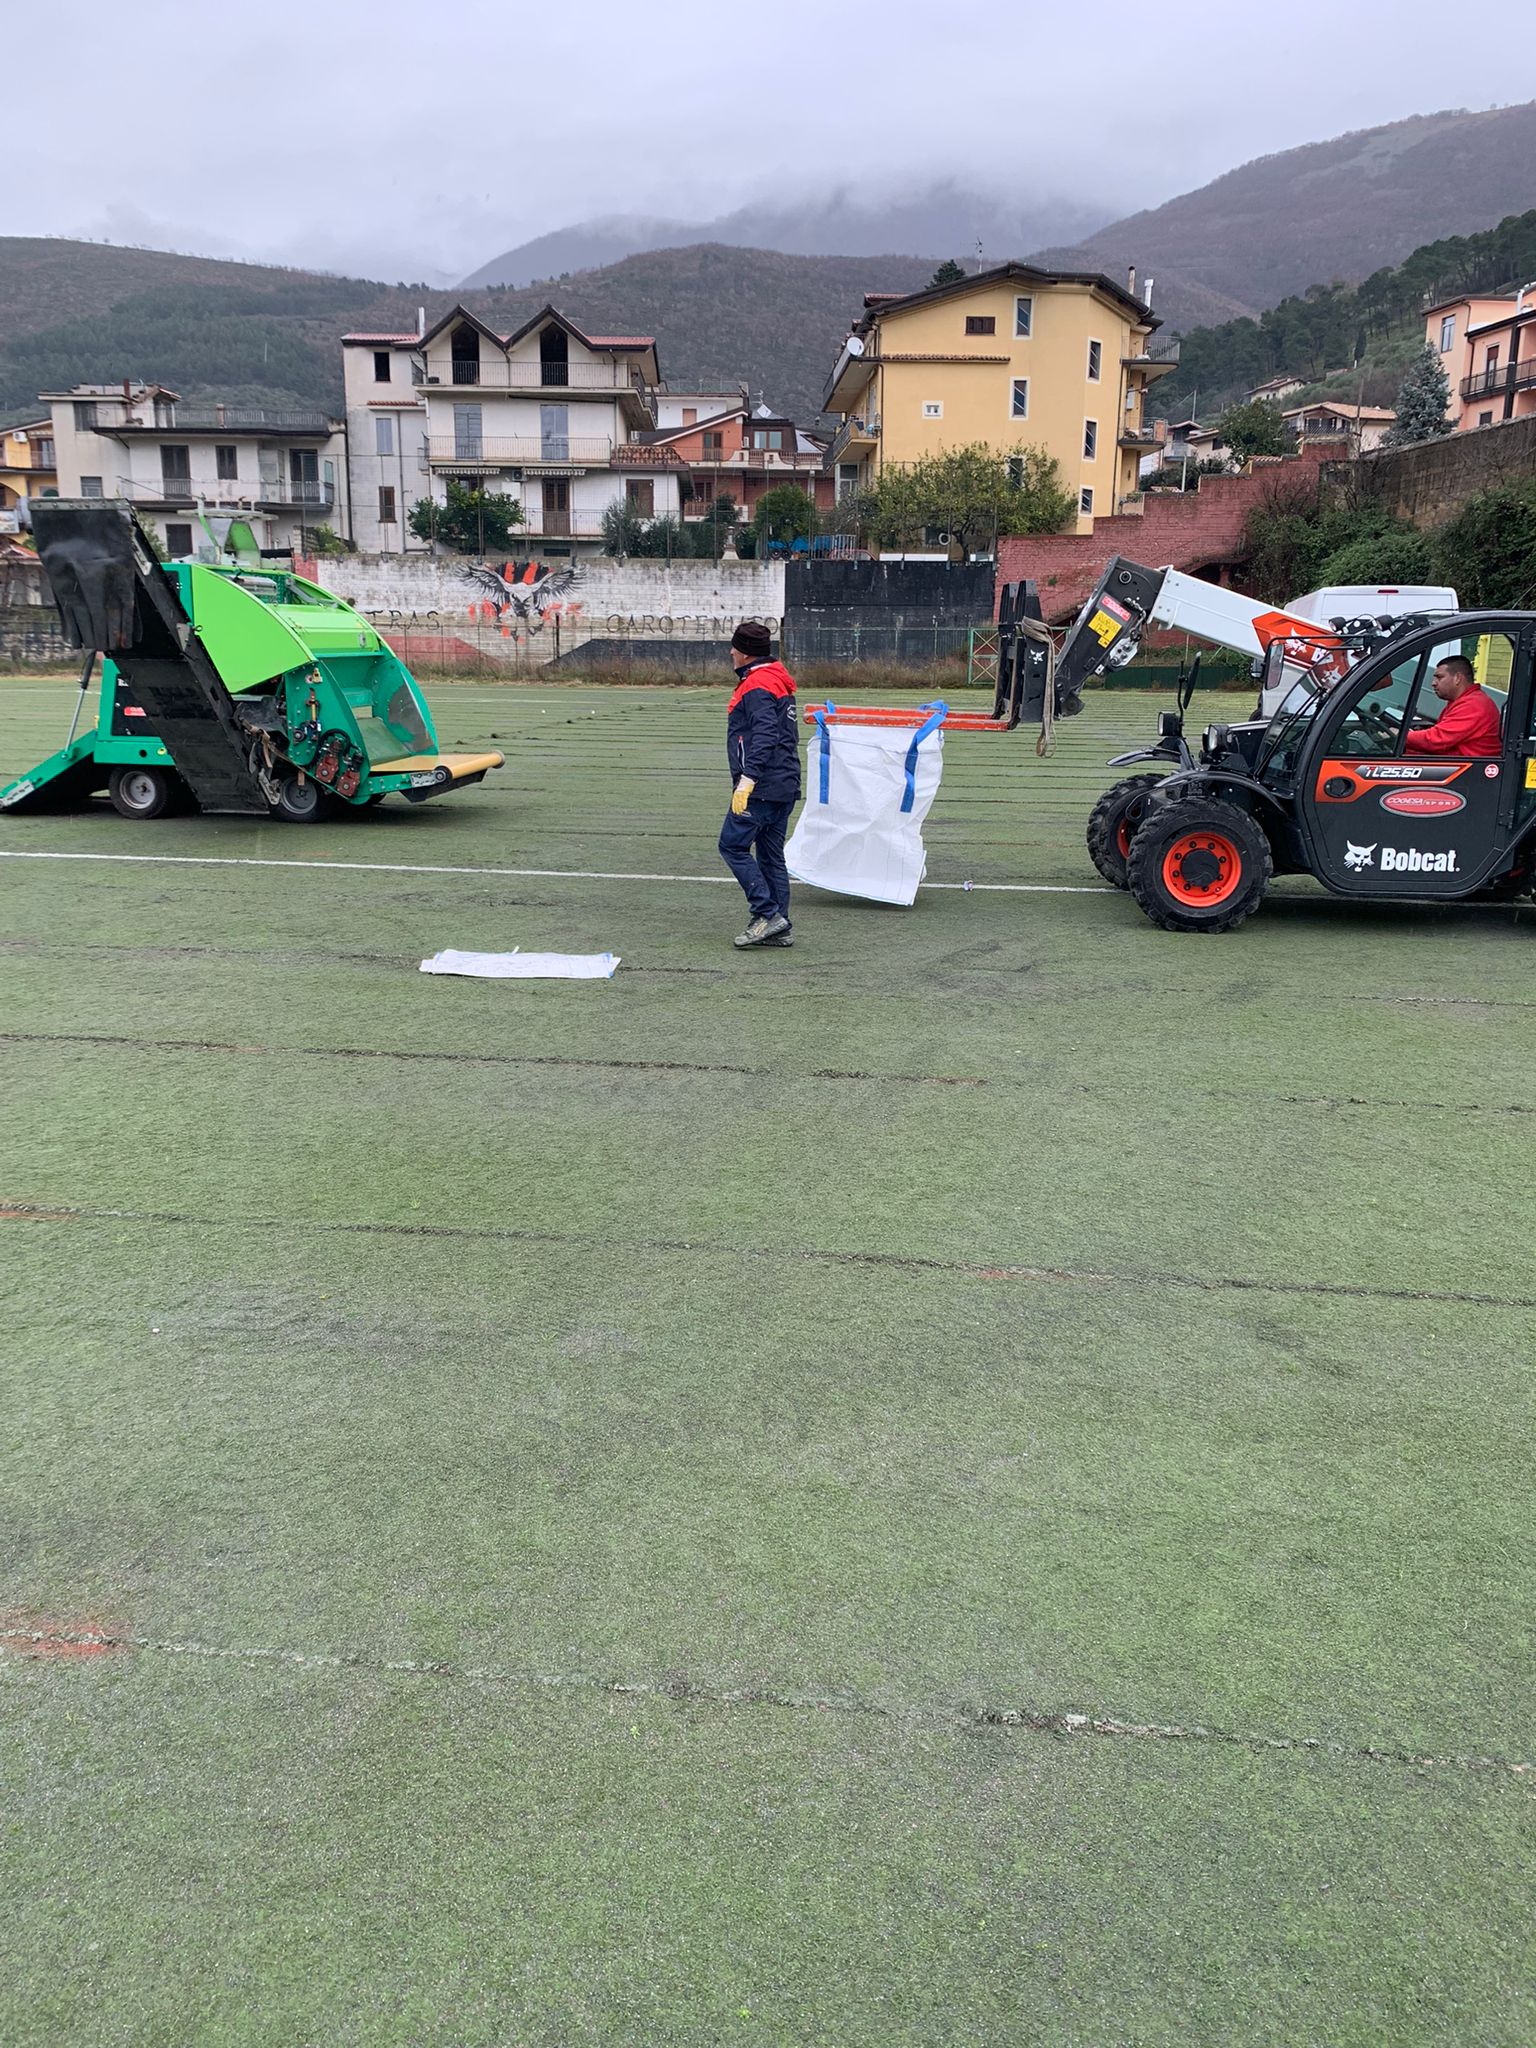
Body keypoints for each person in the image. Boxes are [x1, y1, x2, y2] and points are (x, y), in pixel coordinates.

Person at [719, 619, 802, 948]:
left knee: (732, 845)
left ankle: (767, 914)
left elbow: (765, 734)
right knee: (770, 856)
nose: (731, 653)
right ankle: (779, 926)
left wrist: (747, 780)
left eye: (735, 649)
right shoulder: (776, 679)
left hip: (763, 786)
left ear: (746, 655)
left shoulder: (757, 685)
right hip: (784, 782)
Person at [1404, 655, 1501, 756]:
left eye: (1439, 677)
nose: (1433, 683)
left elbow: (1436, 739)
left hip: (1471, 770)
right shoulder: (1462, 702)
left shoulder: (1473, 704)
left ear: (1458, 678)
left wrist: (1401, 736)